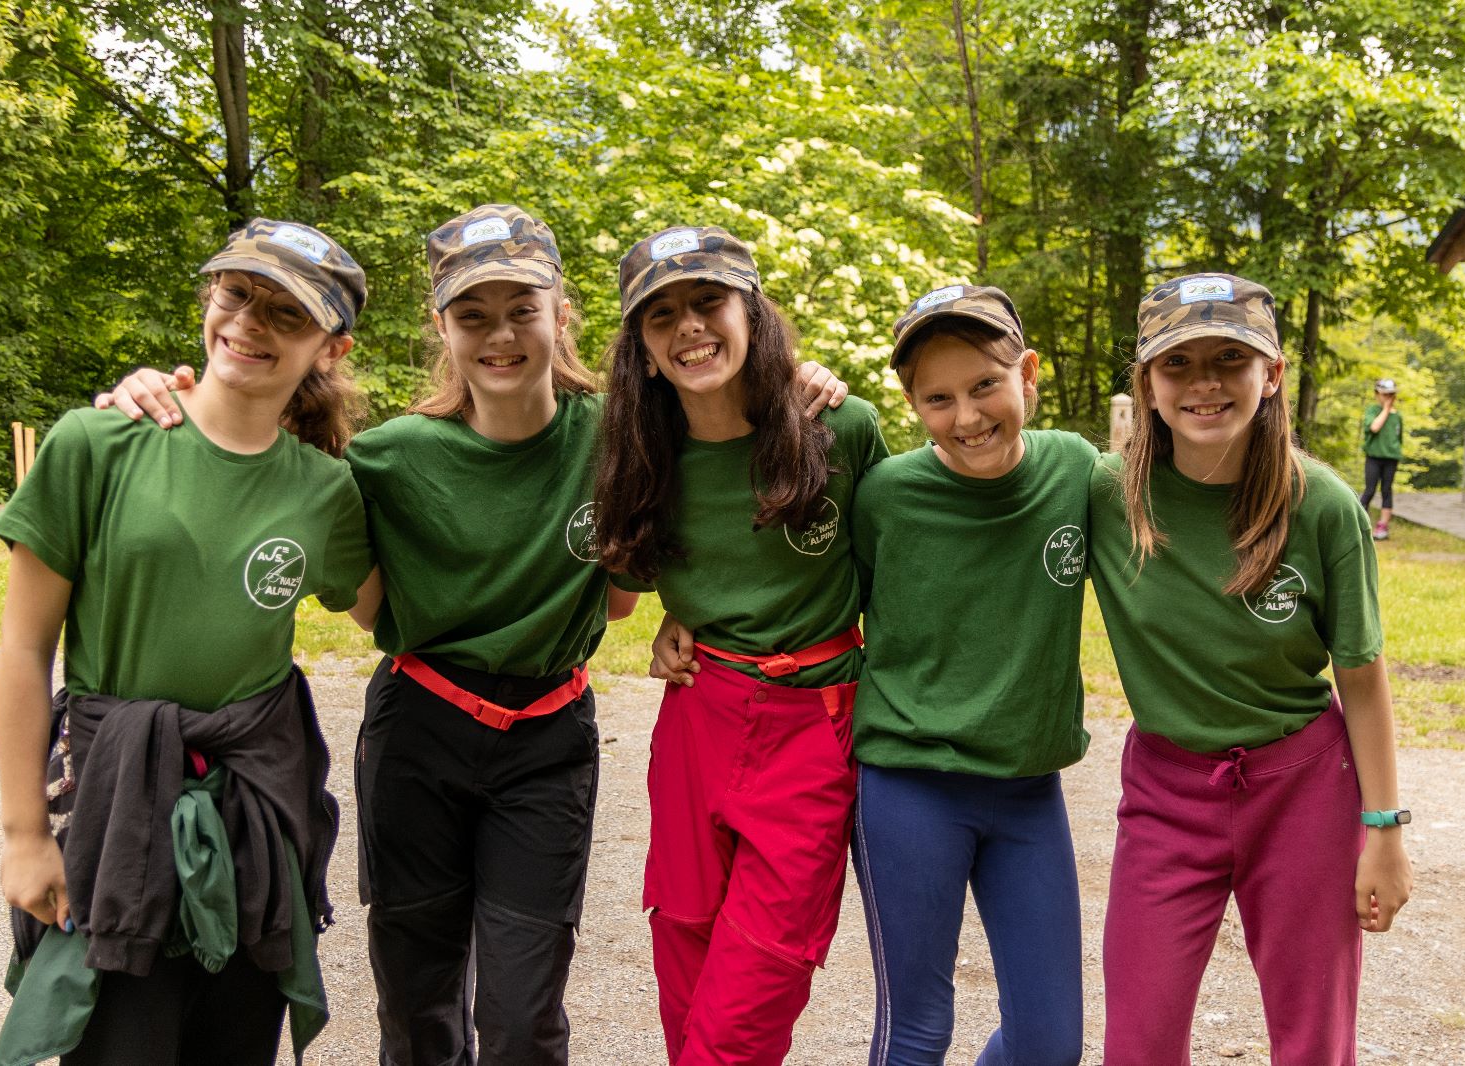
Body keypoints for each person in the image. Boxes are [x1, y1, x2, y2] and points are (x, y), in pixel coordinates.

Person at [94, 205, 849, 1066]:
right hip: (420, 737)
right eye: (473, 314)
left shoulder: (623, 436)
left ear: (561, 314)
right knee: (418, 1006)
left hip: (547, 742)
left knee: (524, 1014)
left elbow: (714, 456)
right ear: (442, 327)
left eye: (523, 309)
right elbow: (275, 480)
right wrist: (155, 395)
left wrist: (802, 380)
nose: (501, 335)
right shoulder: (387, 460)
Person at [0, 218, 372, 1066]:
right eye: (237, 294)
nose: (250, 323)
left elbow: (393, 613)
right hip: (116, 806)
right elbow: (23, 648)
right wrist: (25, 835)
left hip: (255, 823)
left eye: (287, 313)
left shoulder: (326, 491)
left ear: (332, 348)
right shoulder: (97, 442)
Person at [1090, 273, 1413, 1066]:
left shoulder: (1322, 504)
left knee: (1313, 1038)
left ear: (1272, 375)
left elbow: (1362, 677)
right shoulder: (1106, 495)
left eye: (1229, 358)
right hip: (1167, 792)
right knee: (1138, 1039)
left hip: (1304, 789)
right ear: (1147, 384)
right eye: (1178, 363)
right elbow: (986, 468)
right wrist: (821, 397)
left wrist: (1384, 831)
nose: (1204, 382)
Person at [595, 224, 889, 1066]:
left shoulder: (840, 428)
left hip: (815, 720)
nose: (688, 327)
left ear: (751, 313)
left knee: (763, 966)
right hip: (699, 712)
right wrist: (672, 618)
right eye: (662, 315)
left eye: (708, 301)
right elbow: (626, 583)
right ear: (644, 351)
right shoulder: (637, 450)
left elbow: (897, 582)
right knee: (683, 939)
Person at [848, 285, 1093, 1066]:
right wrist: (683, 613)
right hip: (910, 787)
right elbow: (813, 597)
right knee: (918, 1030)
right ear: (912, 404)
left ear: (1028, 372)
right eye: (938, 398)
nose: (967, 416)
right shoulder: (885, 495)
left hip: (1029, 791)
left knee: (1050, 1045)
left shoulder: (1074, 471)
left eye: (985, 385)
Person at [1360, 377, 1402, 540]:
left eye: (1390, 395)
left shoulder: (1397, 416)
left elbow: (1398, 438)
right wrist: (1385, 409)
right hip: (1374, 457)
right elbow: (1374, 427)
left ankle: (1383, 527)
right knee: (1370, 490)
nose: (1388, 398)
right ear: (1377, 394)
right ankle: (1360, 522)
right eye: (1385, 394)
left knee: (1387, 490)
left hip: (1391, 458)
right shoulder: (1372, 411)